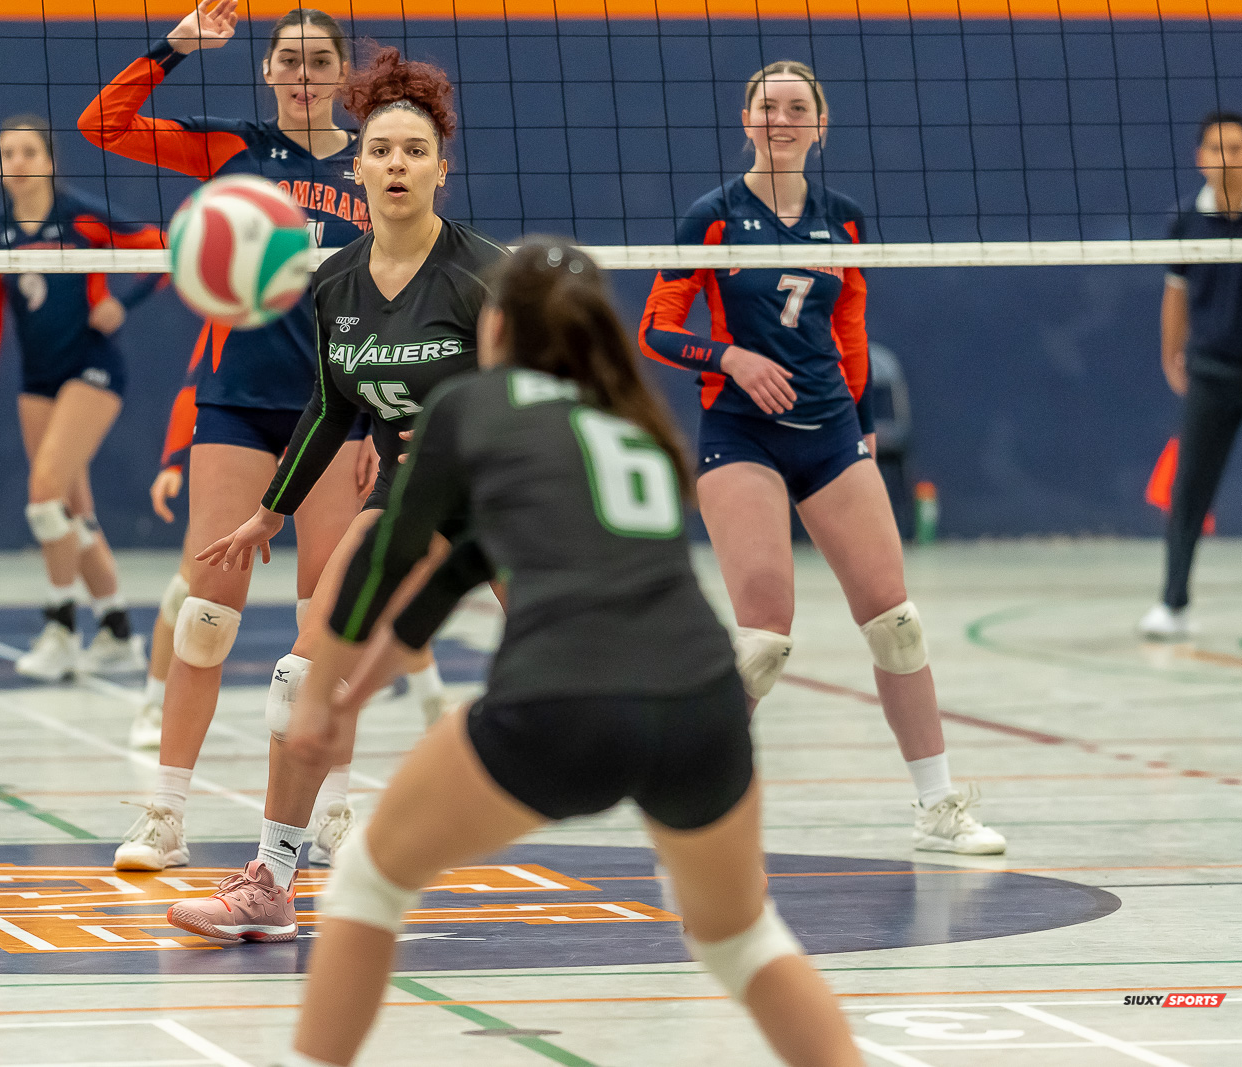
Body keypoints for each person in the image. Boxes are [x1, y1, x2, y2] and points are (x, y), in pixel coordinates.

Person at [270, 239, 864, 1067]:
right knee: (739, 939)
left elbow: (386, 558)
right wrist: (356, 694)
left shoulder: (470, 406)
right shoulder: (631, 424)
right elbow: (464, 563)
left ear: (497, 323)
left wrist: (320, 705)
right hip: (703, 706)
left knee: (369, 879)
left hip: (563, 702)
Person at [168, 44, 508, 944]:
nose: (397, 164)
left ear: (442, 167)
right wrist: (270, 510)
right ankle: (272, 879)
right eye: (382, 150)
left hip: (503, 497)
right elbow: (328, 407)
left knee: (593, 672)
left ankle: (700, 820)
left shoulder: (487, 276)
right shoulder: (335, 284)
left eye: (415, 151)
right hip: (404, 500)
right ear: (355, 165)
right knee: (296, 678)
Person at [639, 61, 1004, 855]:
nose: (781, 118)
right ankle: (689, 800)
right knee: (763, 641)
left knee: (897, 625)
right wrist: (729, 357)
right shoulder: (712, 217)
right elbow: (657, 328)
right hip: (741, 433)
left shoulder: (843, 221)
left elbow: (851, 332)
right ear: (746, 121)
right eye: (767, 106)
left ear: (819, 126)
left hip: (834, 433)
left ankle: (937, 806)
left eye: (796, 107)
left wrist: (864, 426)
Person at [79, 1, 407, 869]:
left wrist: (378, 415)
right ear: (266, 71)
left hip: (336, 410)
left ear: (344, 77)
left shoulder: (376, 173)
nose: (302, 75)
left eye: (317, 62)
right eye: (287, 61)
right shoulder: (233, 148)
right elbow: (102, 124)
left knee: (324, 619)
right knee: (205, 616)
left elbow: (392, 303)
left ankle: (331, 809)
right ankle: (165, 814)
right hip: (236, 403)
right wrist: (177, 45)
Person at [0, 116, 167, 681]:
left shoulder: (83, 217)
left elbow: (162, 247)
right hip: (38, 382)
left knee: (44, 497)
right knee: (74, 513)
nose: (18, 162)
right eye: (8, 153)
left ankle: (60, 628)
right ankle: (119, 631)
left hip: (94, 367)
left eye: (29, 151)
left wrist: (125, 302)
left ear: (49, 161)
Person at [1138, 111, 1242, 640]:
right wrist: (1172, 356)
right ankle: (1173, 604)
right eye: (1215, 148)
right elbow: (1176, 294)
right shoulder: (1185, 220)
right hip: (1210, 372)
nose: (1225, 157)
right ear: (1199, 159)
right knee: (1189, 492)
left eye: (1235, 147)